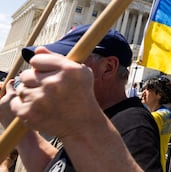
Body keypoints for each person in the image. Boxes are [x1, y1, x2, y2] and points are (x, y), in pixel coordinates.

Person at [0, 24, 162, 171]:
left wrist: (79, 126)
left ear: (108, 67)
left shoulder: (133, 124)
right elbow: (57, 168)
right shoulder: (100, 118)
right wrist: (17, 124)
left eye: (67, 61)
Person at [141, 77, 171, 172]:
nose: (143, 93)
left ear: (159, 94)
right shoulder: (164, 113)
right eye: (143, 89)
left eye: (148, 89)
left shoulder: (162, 115)